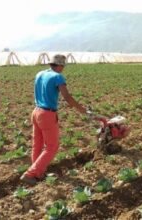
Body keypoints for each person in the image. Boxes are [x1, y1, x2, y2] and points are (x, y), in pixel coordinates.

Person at [20, 54, 90, 185]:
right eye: (63, 66)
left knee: (38, 145)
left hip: (36, 112)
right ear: (60, 65)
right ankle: (30, 173)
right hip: (47, 114)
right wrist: (82, 109)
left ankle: (38, 173)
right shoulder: (58, 77)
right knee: (52, 146)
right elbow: (67, 97)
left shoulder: (40, 74)